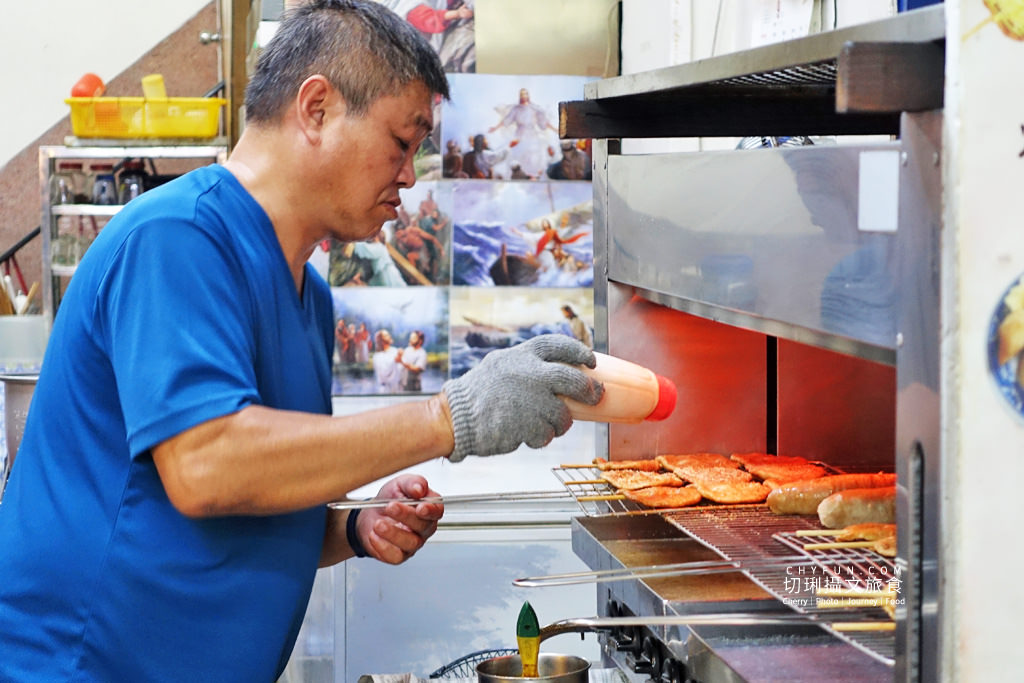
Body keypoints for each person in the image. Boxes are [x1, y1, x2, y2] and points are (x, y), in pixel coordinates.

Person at [0, 2, 604, 681]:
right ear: (315, 108)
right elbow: (207, 466)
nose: (409, 175)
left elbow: (255, 492)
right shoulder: (177, 240)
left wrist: (352, 528)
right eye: (402, 142)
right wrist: (450, 416)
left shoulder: (309, 298)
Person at [489, 87, 559, 178]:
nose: (524, 96)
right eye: (522, 94)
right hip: (519, 136)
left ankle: (534, 177)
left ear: (528, 96)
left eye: (525, 94)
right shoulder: (516, 109)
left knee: (534, 158)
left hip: (532, 136)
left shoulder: (535, 108)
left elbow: (544, 123)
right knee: (517, 156)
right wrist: (495, 128)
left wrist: (555, 130)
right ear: (520, 96)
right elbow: (507, 120)